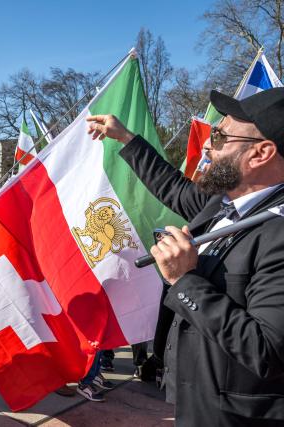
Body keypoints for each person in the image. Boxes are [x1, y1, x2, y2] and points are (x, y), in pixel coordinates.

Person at [86, 88, 284, 427]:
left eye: (220, 136)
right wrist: (126, 139)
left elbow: (267, 350)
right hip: (195, 399)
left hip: (235, 416)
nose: (207, 144)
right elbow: (174, 188)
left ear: (261, 153)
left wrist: (185, 281)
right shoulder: (224, 204)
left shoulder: (278, 231)